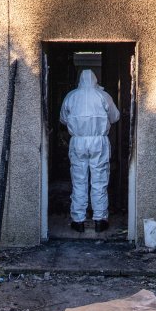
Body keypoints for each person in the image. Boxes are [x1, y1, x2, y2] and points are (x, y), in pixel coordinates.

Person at [59, 69, 121, 233]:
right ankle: (100, 220)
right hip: (98, 141)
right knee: (99, 181)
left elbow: (63, 119)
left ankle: (78, 220)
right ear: (95, 80)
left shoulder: (71, 96)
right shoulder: (103, 96)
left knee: (79, 181)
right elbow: (115, 117)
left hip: (78, 141)